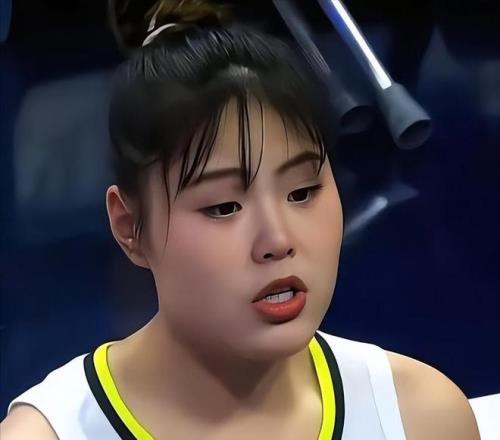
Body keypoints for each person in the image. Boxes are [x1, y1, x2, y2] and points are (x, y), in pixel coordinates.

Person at [0, 1, 480, 439]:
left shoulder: (420, 419)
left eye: (302, 193)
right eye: (224, 207)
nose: (277, 239)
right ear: (130, 227)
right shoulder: (50, 434)